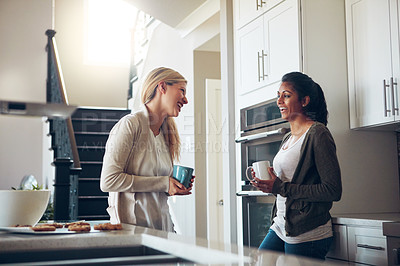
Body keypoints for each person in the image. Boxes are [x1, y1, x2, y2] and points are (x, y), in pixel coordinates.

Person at [250, 72, 342, 260]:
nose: (279, 102)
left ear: (305, 100)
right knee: (260, 261)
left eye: (286, 95)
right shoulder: (288, 138)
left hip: (307, 232)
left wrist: (280, 187)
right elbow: (288, 188)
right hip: (281, 225)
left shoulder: (318, 134)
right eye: (278, 96)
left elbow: (333, 190)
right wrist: (269, 185)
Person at [100, 67, 193, 232]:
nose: (185, 100)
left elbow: (153, 188)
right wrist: (163, 183)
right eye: (182, 91)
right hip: (132, 233)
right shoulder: (130, 125)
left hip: (164, 229)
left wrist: (173, 186)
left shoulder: (167, 134)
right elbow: (109, 181)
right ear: (162, 87)